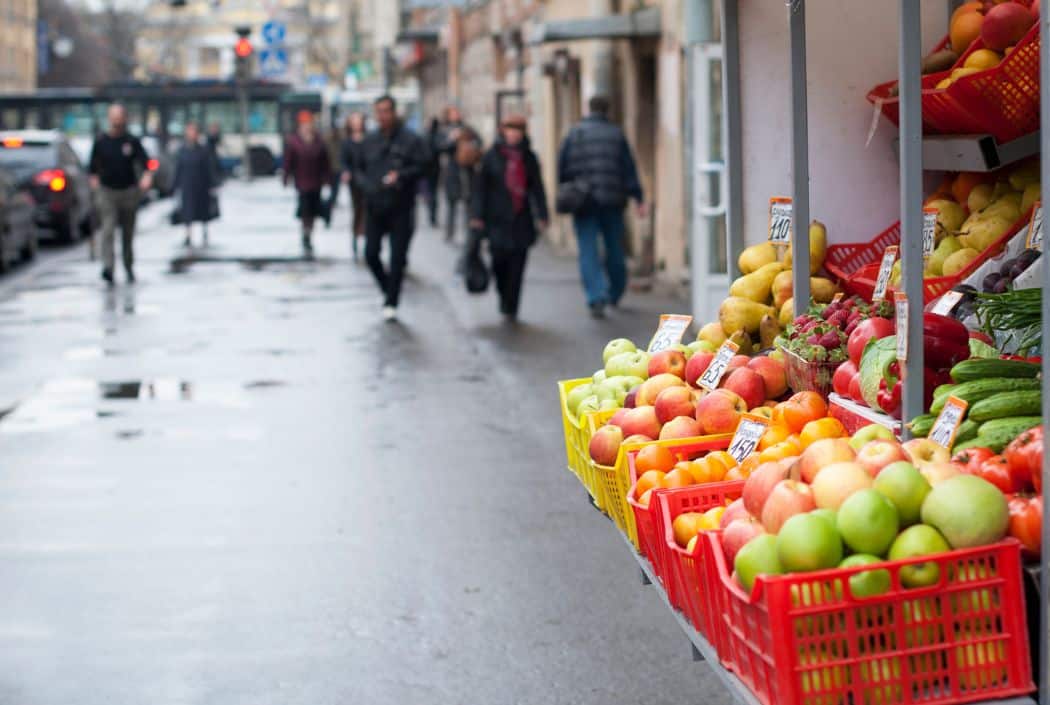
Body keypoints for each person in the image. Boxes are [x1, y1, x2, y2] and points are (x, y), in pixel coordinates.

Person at [557, 95, 648, 319]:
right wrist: (638, 197)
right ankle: (615, 292)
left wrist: (568, 189)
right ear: (607, 110)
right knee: (614, 248)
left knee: (588, 249)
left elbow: (563, 167)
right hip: (612, 200)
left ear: (589, 109)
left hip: (584, 201)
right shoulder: (616, 134)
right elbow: (628, 168)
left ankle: (595, 296)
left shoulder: (575, 133)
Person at [352, 95, 425, 322]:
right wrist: (366, 185)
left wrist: (400, 176)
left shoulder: (410, 140)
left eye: (386, 111)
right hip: (375, 206)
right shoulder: (369, 141)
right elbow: (358, 168)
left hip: (401, 206)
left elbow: (423, 166)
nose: (383, 116)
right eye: (379, 112)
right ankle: (388, 289)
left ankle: (392, 300)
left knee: (397, 258)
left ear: (394, 113)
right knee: (371, 254)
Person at [469, 114, 549, 322]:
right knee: (499, 262)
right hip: (496, 219)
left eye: (518, 130)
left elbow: (537, 188)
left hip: (521, 219)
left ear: (523, 133)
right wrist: (477, 216)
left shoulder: (529, 157)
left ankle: (511, 305)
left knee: (518, 264)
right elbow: (479, 189)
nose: (513, 134)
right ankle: (503, 294)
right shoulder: (490, 157)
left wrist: (542, 214)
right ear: (503, 131)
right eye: (510, 130)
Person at [88, 103, 152, 285]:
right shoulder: (101, 141)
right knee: (107, 231)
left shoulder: (131, 141)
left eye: (119, 116)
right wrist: (95, 186)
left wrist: (146, 178)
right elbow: (92, 169)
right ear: (109, 118)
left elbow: (147, 163)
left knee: (127, 233)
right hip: (107, 191)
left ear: (124, 118)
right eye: (113, 116)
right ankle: (108, 268)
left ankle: (128, 266)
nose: (116, 120)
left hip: (129, 192)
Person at [283, 110, 331, 256]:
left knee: (314, 211)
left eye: (309, 123)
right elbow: (289, 161)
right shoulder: (294, 141)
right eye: (305, 124)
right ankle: (305, 234)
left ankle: (309, 234)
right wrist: (286, 176)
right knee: (305, 211)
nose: (307, 126)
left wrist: (327, 179)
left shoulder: (318, 140)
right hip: (302, 182)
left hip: (316, 182)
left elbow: (325, 162)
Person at [436, 106, 481, 243]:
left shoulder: (467, 128)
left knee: (469, 203)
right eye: (453, 113)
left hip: (467, 170)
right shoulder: (443, 130)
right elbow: (439, 147)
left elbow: (479, 141)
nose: (456, 115)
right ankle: (450, 232)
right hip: (452, 171)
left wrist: (470, 146)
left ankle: (470, 232)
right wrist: (452, 139)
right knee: (452, 204)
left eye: (457, 112)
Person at [173, 122, 218, 248]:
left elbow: (209, 168)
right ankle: (188, 234)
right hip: (187, 185)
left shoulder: (204, 150)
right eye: (189, 131)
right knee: (187, 212)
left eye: (194, 131)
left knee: (203, 211)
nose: (191, 134)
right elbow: (178, 168)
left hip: (201, 185)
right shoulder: (182, 150)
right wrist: (175, 185)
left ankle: (204, 232)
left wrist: (212, 184)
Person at [339, 112, 368, 261]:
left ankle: (366, 235)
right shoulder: (347, 142)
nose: (357, 124)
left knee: (368, 209)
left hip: (369, 180)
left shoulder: (369, 139)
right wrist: (346, 172)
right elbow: (343, 161)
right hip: (354, 181)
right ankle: (356, 235)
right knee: (357, 208)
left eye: (359, 121)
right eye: (354, 121)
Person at [424, 117, 442, 227]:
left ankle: (432, 215)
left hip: (430, 168)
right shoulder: (435, 137)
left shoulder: (427, 136)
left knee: (431, 192)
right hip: (432, 168)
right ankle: (432, 215)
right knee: (432, 192)